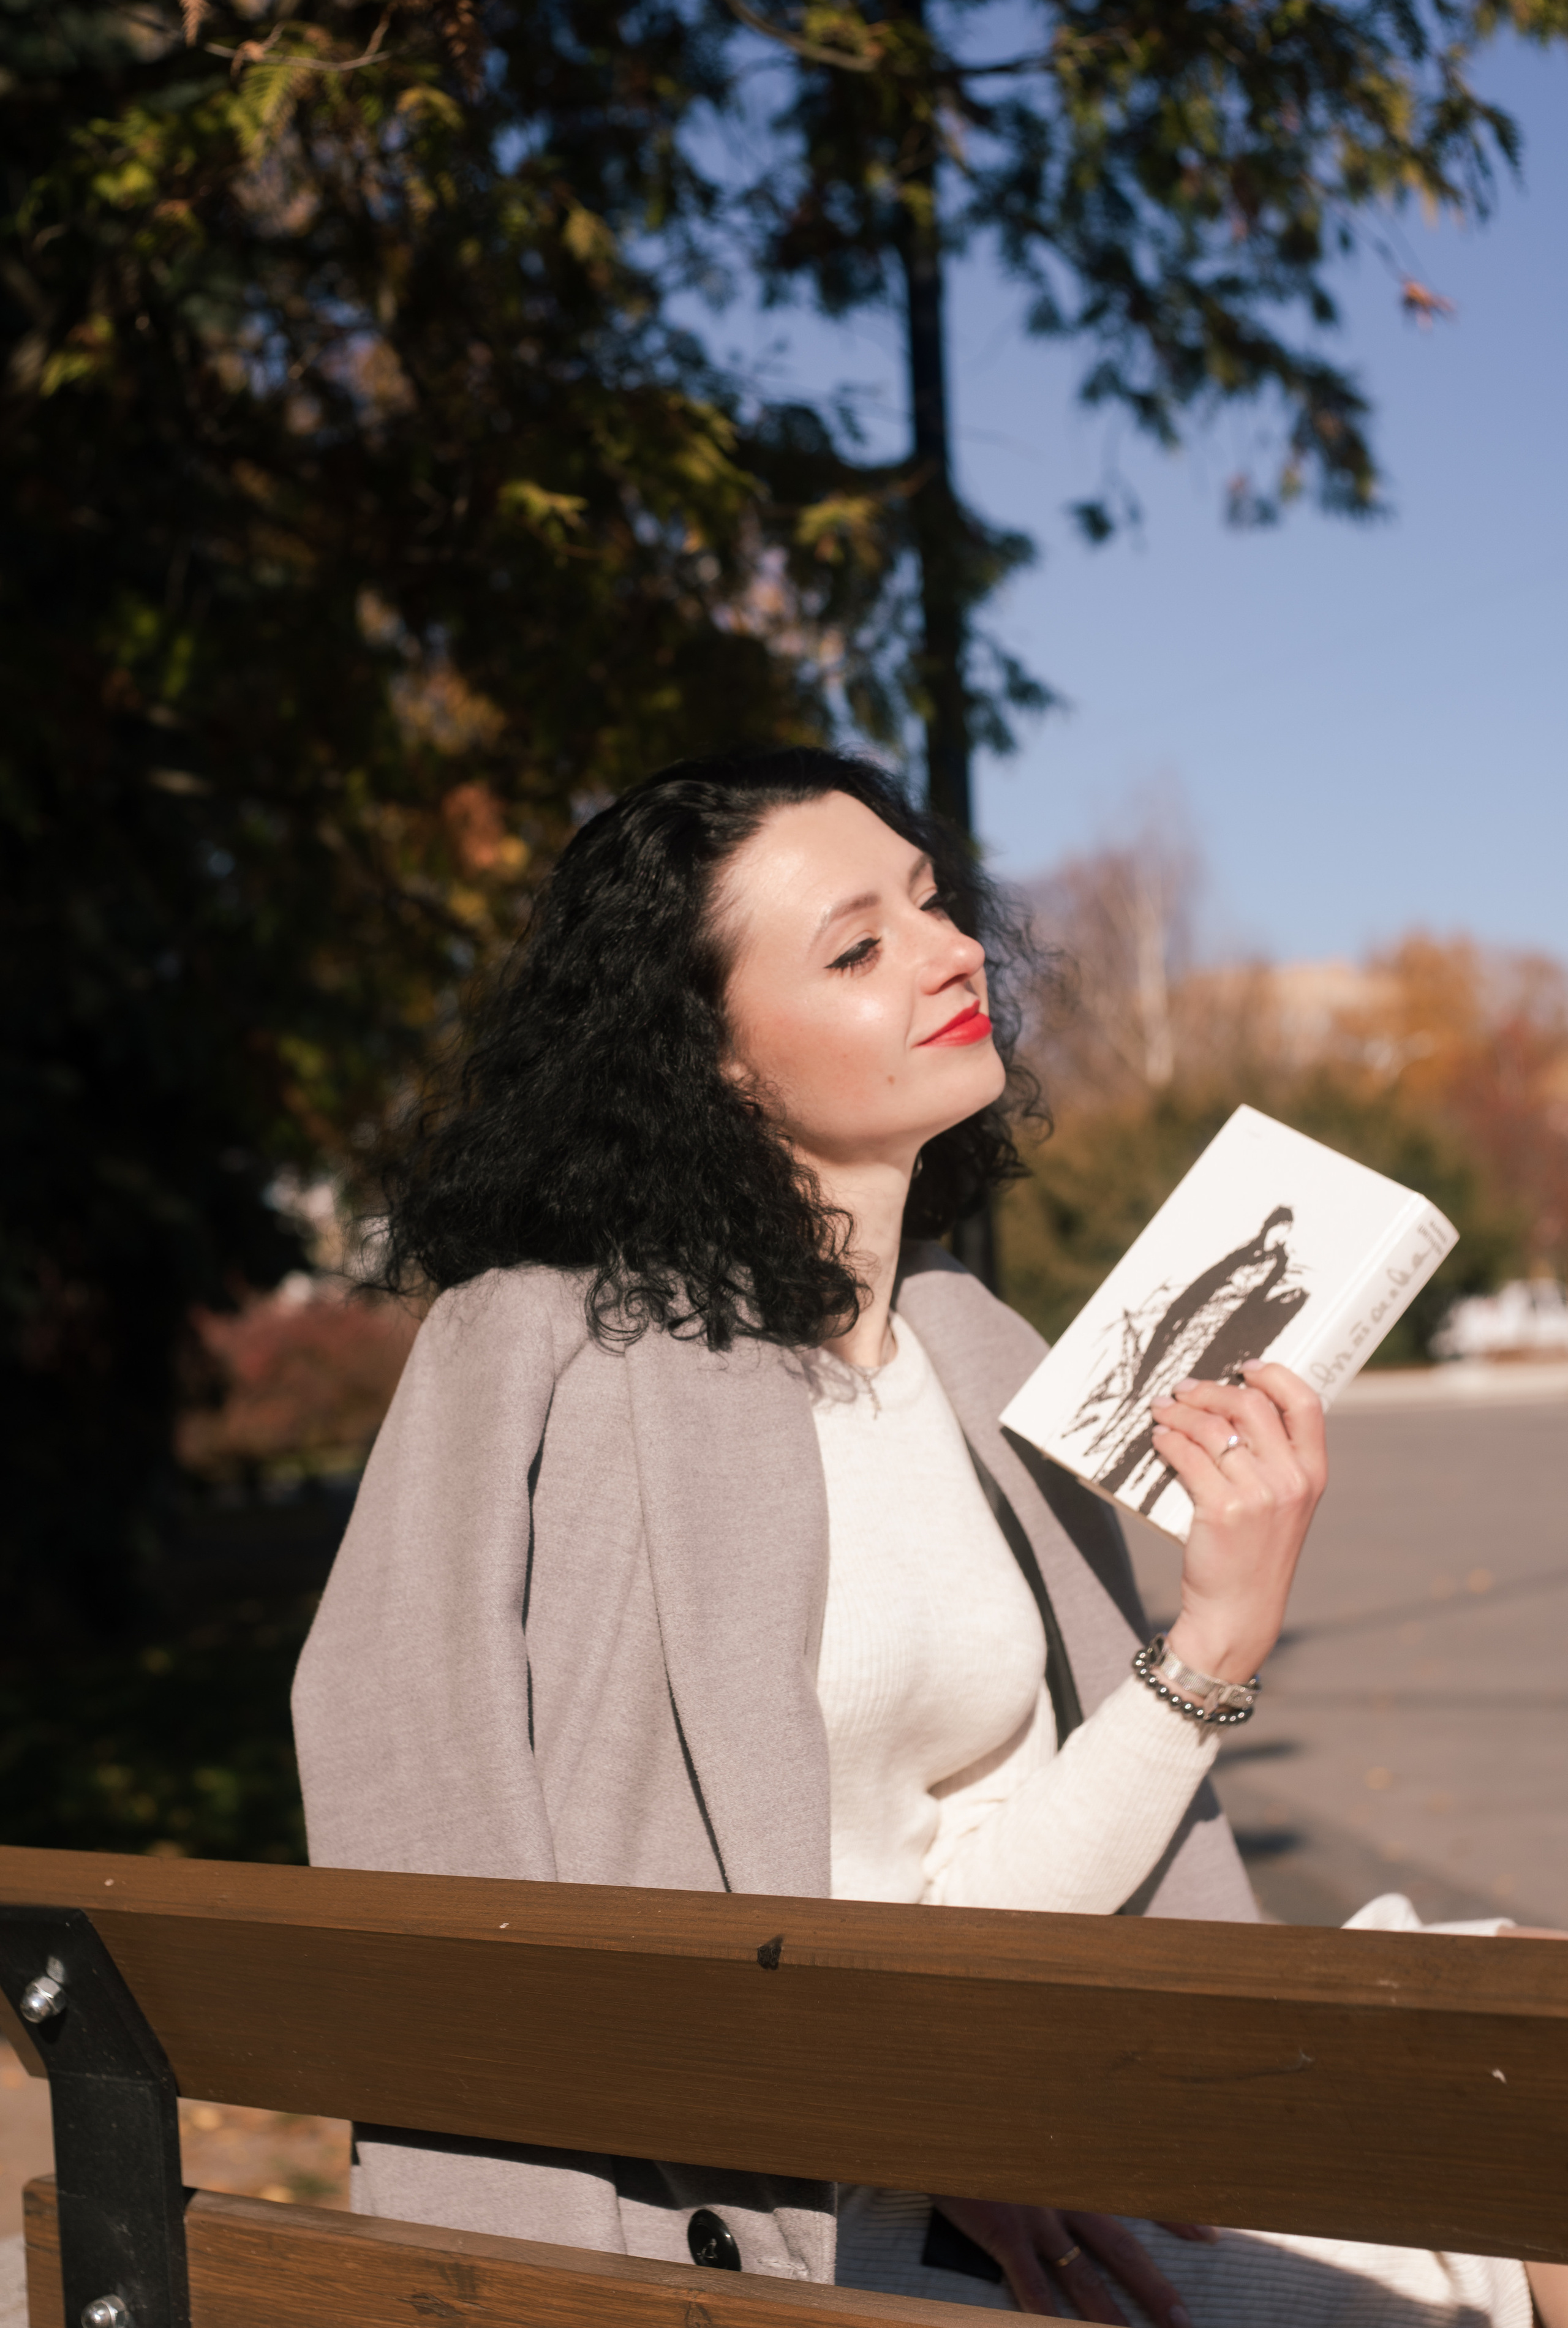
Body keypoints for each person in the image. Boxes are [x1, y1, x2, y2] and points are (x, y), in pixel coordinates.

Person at [293, 747, 1555, 2328]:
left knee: (1542, 1988)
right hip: (770, 2184)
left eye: (933, 903)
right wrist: (884, 2112)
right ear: (707, 1060)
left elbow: (979, 1893)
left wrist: (1211, 1638)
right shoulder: (541, 1341)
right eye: (856, 943)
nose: (955, 949)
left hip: (1000, 2084)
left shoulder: (977, 1346)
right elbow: (425, 1821)